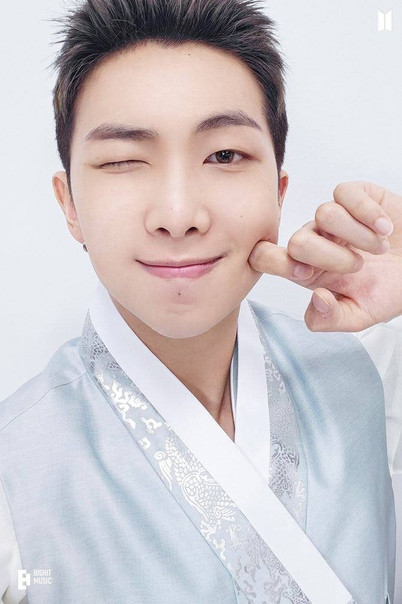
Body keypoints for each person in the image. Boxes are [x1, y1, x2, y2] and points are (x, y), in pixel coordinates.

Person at [0, 0, 400, 602]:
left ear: (279, 190)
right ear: (70, 205)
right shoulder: (14, 475)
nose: (179, 213)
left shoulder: (375, 371)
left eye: (224, 156)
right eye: (123, 160)